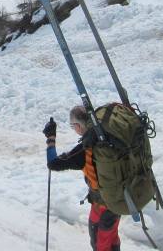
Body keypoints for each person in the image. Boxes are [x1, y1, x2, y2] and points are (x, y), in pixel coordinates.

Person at [43, 106, 120, 251]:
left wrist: (50, 139)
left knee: (101, 245)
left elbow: (53, 163)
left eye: (73, 126)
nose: (74, 129)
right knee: (111, 238)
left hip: (104, 205)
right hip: (118, 200)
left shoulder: (86, 149)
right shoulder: (109, 137)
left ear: (78, 126)